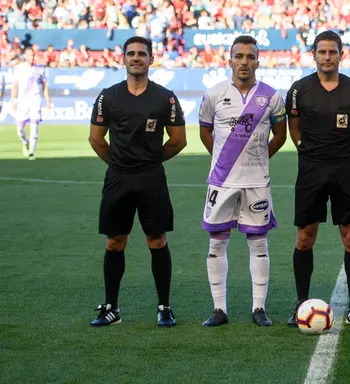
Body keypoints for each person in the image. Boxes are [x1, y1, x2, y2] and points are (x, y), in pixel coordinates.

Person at [88, 36, 187, 327]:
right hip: (118, 178)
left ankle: (164, 307)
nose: (136, 58)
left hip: (151, 178)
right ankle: (111, 308)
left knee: (157, 240)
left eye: (142, 54)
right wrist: (118, 163)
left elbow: (179, 139)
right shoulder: (108, 96)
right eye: (130, 53)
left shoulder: (165, 97)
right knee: (114, 241)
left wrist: (151, 161)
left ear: (151, 59)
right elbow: (96, 138)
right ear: (123, 59)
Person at [286, 30, 350, 327]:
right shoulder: (299, 89)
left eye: (332, 52)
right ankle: (301, 305)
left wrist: (345, 154)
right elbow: (294, 128)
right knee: (305, 237)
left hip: (345, 170)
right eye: (322, 52)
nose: (327, 57)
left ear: (340, 55)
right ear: (313, 55)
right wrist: (308, 151)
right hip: (310, 169)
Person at [198, 35, 287, 327]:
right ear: (230, 60)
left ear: (258, 62)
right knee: (217, 244)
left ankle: (259, 308)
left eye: (250, 57)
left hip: (256, 182)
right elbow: (205, 132)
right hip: (222, 182)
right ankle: (219, 309)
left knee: (259, 244)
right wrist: (225, 159)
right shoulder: (213, 95)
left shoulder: (272, 97)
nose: (244, 62)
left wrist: (260, 159)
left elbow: (281, 135)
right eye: (239, 56)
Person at [10, 47, 51, 160]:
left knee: (34, 126)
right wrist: (13, 101)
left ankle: (31, 152)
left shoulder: (39, 69)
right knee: (19, 129)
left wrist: (48, 100)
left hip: (36, 100)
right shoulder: (19, 68)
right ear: (25, 56)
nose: (32, 57)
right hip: (23, 101)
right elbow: (14, 86)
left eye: (33, 55)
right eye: (29, 55)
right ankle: (25, 142)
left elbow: (44, 86)